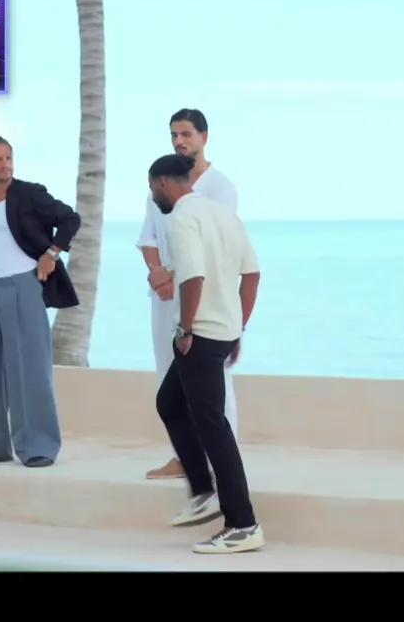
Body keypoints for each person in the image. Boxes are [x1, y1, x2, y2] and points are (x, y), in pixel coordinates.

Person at [148, 153, 264, 554]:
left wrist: (185, 328)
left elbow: (193, 278)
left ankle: (243, 524)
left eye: (153, 189)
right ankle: (204, 491)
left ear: (163, 183)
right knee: (169, 403)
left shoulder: (181, 218)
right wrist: (238, 327)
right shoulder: (223, 214)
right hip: (222, 332)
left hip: (199, 336)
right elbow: (252, 275)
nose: (154, 197)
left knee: (213, 426)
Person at [0, 137, 80, 468]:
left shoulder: (30, 194)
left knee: (30, 369)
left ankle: (38, 446)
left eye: (8, 157)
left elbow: (70, 219)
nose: (5, 164)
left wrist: (52, 254)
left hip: (24, 287)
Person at [137, 108, 242, 481]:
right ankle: (184, 456)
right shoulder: (161, 185)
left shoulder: (220, 189)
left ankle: (220, 461)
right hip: (164, 298)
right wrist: (157, 272)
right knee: (168, 376)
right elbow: (148, 238)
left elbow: (217, 245)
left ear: (203, 137)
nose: (179, 141)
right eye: (174, 135)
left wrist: (175, 275)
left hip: (203, 300)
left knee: (214, 382)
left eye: (186, 134)